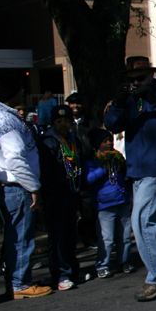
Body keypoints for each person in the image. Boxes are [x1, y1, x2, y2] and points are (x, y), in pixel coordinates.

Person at [104, 57, 156, 302]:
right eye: (132, 80)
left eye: (141, 78)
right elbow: (112, 125)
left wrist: (152, 98)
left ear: (152, 75)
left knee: (142, 219)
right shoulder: (128, 100)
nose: (136, 83)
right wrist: (119, 103)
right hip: (137, 170)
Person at [0, 83, 51, 299]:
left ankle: (16, 280)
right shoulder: (6, 120)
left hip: (11, 185)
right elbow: (14, 159)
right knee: (20, 236)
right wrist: (33, 187)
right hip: (16, 186)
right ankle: (20, 284)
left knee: (14, 235)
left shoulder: (3, 116)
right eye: (19, 90)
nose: (23, 94)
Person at [39, 105, 86, 291]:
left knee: (70, 235)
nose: (64, 124)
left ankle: (73, 269)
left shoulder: (73, 139)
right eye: (59, 121)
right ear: (52, 123)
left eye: (67, 121)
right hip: (55, 196)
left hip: (71, 193)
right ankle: (60, 274)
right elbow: (46, 172)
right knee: (57, 236)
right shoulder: (47, 141)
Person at [85, 129, 134, 278]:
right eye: (104, 141)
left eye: (110, 140)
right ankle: (103, 265)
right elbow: (89, 179)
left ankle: (123, 261)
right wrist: (103, 169)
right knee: (107, 237)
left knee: (125, 235)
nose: (109, 143)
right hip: (105, 203)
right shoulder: (92, 159)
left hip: (122, 199)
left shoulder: (117, 158)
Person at [66, 91, 101, 248]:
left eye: (78, 103)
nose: (75, 106)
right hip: (70, 170)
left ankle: (89, 237)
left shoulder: (91, 123)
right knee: (70, 208)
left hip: (88, 167)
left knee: (88, 207)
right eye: (72, 103)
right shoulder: (65, 123)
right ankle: (71, 240)